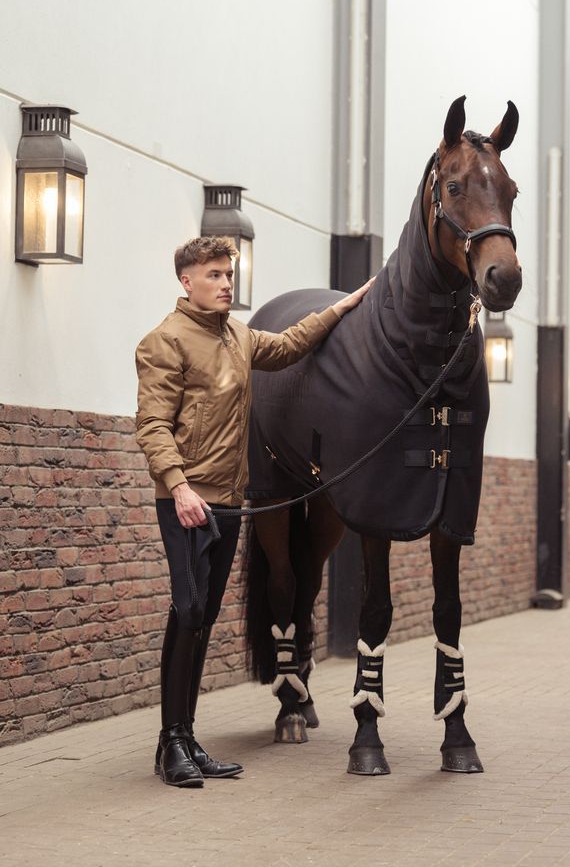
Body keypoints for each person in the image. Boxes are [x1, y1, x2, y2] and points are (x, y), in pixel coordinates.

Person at [135, 235, 371, 788]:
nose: (226, 284)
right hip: (188, 503)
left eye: (228, 275)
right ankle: (170, 744)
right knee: (188, 612)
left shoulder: (238, 337)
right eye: (214, 275)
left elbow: (289, 345)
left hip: (226, 502)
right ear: (187, 281)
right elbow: (151, 425)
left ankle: (187, 738)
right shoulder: (164, 341)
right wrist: (179, 487)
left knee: (203, 617)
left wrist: (344, 306)